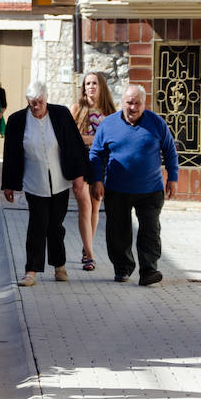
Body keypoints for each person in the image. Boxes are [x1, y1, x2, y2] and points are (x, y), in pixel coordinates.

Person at [87, 84, 180, 287]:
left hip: (151, 189)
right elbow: (95, 154)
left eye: (137, 103)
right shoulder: (108, 125)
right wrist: (96, 181)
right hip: (117, 189)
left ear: (144, 104)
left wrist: (173, 177)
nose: (133, 107)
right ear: (122, 103)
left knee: (150, 231)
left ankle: (149, 271)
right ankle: (122, 268)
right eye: (129, 102)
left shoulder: (157, 123)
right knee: (118, 231)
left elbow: (170, 151)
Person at [0, 82, 89, 287]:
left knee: (56, 226)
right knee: (37, 225)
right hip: (34, 182)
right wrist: (9, 184)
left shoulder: (61, 115)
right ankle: (31, 271)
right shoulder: (17, 120)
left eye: (40, 102)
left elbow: (74, 146)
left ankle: (59, 266)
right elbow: (11, 155)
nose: (36, 107)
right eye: (32, 103)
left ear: (46, 99)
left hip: (60, 181)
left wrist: (79, 176)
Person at [71, 72, 117, 271]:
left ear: (101, 87)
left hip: (101, 162)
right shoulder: (77, 108)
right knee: (84, 205)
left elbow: (113, 139)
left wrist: (93, 141)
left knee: (95, 207)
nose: (90, 86)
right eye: (87, 83)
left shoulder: (110, 112)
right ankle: (90, 256)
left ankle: (86, 246)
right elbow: (70, 137)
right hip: (80, 161)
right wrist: (91, 140)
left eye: (94, 83)